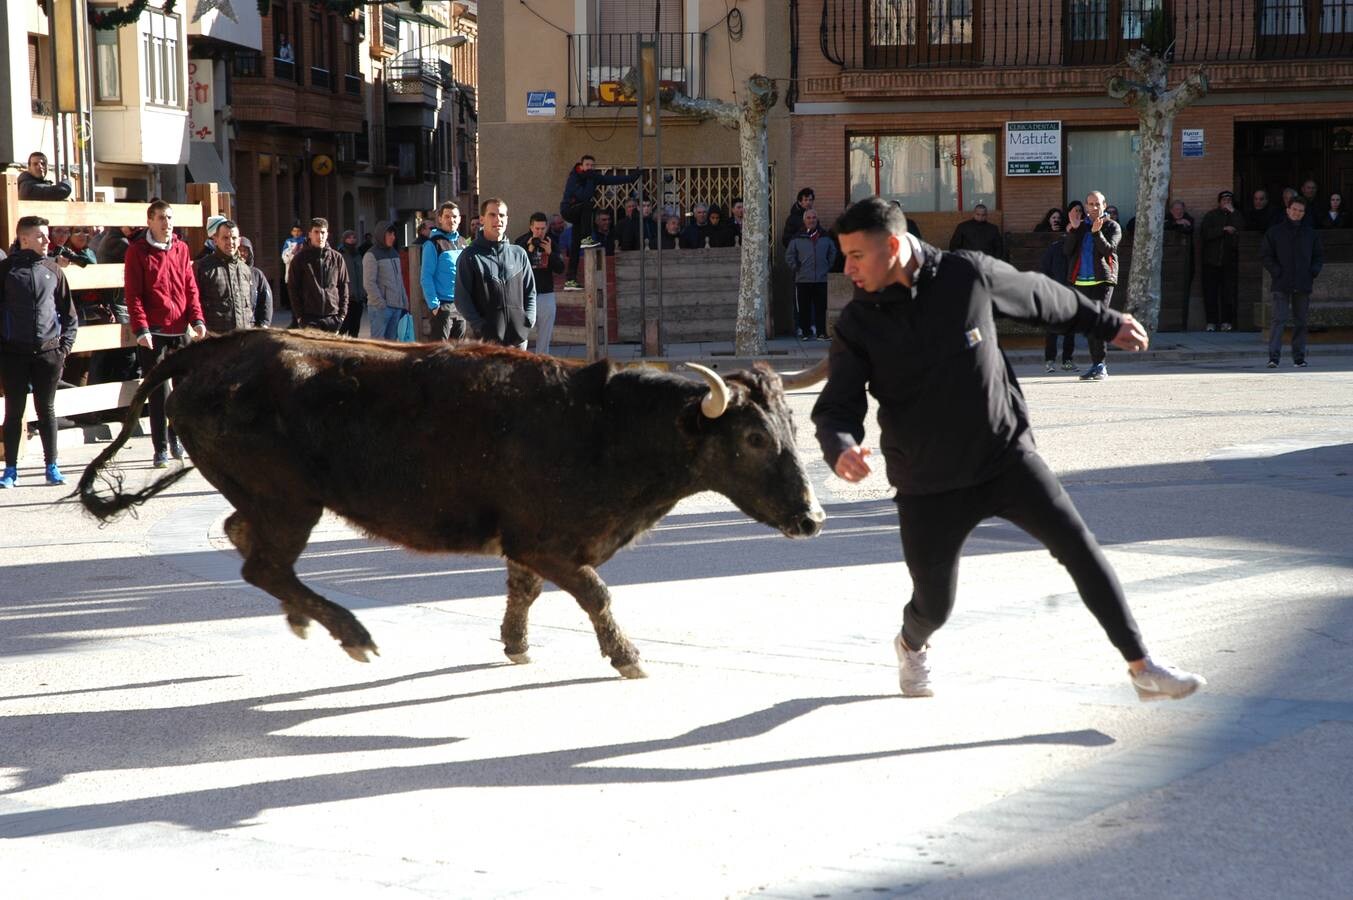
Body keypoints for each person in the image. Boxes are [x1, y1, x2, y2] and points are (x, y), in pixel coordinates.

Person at [812, 196, 1206, 703]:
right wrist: (841, 447)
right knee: (934, 605)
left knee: (1078, 545)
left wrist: (1105, 322)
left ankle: (1142, 665)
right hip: (928, 481)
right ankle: (912, 644)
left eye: (856, 255)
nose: (847, 268)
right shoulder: (858, 323)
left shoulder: (965, 276)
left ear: (892, 246)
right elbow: (836, 407)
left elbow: (1039, 295)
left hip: (1004, 456)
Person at [124, 199, 206, 467]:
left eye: (169, 218)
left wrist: (197, 319)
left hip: (180, 328)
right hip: (154, 332)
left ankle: (177, 438)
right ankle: (159, 447)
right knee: (158, 392)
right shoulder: (137, 251)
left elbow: (190, 287)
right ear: (150, 221)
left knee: (183, 391)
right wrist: (141, 328)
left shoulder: (181, 248)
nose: (166, 223)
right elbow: (133, 294)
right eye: (161, 218)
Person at [0, 216, 78, 488]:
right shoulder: (5, 270)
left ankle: (51, 466)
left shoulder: (53, 270)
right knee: (13, 412)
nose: (48, 241)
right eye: (41, 236)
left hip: (48, 353)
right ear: (24, 239)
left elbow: (70, 315)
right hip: (13, 354)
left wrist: (64, 348)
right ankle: (10, 470)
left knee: (46, 410)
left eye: (47, 235)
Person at [455, 198, 535, 348]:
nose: (498, 219)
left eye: (502, 215)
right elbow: (461, 298)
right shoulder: (469, 256)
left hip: (518, 340)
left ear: (507, 219)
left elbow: (530, 292)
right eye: (492, 215)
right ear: (482, 219)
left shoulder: (519, 254)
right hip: (485, 343)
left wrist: (528, 321)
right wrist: (480, 327)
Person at [1062, 191, 1121, 381]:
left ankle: (1101, 365)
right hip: (1081, 280)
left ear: (1104, 205)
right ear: (1086, 206)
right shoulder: (1079, 227)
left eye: (1097, 204)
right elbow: (1067, 251)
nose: (1094, 207)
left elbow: (1108, 250)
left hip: (1103, 280)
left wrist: (1096, 233)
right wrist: (1073, 229)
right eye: (1090, 204)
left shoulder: (1112, 226)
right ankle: (1096, 364)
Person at [560, 155, 640, 289]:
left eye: (592, 165)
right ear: (581, 165)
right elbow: (584, 196)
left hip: (580, 215)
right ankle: (586, 238)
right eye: (587, 165)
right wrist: (592, 179)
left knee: (575, 245)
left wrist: (633, 177)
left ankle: (570, 279)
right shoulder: (574, 177)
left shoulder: (592, 177)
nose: (590, 168)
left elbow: (612, 180)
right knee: (588, 204)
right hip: (568, 210)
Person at [1262, 196, 1323, 369]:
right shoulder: (1274, 232)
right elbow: (1266, 256)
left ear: (1304, 213)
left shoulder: (1311, 234)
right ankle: (1273, 358)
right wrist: (1276, 272)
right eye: (1294, 209)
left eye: (1301, 211)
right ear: (1288, 210)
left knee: (1301, 321)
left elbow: (1318, 256)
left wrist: (1313, 272)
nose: (1297, 213)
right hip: (1281, 282)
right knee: (1278, 320)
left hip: (1303, 282)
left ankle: (1299, 358)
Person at [193, 219, 256, 336]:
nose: (230, 242)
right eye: (225, 238)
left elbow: (250, 304)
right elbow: (194, 301)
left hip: (244, 338)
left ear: (239, 240)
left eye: (234, 238)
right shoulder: (202, 267)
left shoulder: (245, 269)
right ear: (215, 240)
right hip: (216, 341)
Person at [286, 217, 349, 333]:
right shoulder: (299, 259)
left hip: (332, 318)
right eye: (316, 232)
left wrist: (341, 316)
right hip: (309, 318)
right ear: (309, 234)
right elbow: (293, 288)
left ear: (327, 234)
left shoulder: (337, 258)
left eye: (323, 232)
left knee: (332, 351)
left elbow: (343, 287)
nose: (320, 236)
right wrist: (300, 317)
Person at [784, 208, 837, 340]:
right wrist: (796, 267)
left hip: (821, 279)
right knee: (804, 308)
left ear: (817, 219)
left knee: (821, 308)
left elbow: (833, 252)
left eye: (813, 218)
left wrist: (827, 266)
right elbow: (789, 255)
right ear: (804, 220)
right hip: (803, 279)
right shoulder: (797, 237)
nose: (811, 220)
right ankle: (806, 332)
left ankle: (821, 333)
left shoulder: (824, 236)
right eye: (808, 218)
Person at [516, 211, 564, 354]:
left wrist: (550, 253)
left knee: (545, 333)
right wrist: (529, 250)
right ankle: (521, 359)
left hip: (546, 293)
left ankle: (542, 359)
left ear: (547, 227)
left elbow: (560, 269)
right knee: (521, 333)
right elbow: (516, 268)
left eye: (543, 229)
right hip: (525, 294)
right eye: (537, 229)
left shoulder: (551, 242)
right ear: (531, 227)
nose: (540, 232)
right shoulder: (521, 242)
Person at [421, 201, 468, 341]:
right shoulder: (433, 244)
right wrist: (434, 305)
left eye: (454, 216)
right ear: (440, 219)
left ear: (459, 219)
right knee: (440, 353)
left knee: (458, 353)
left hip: (461, 305)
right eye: (447, 216)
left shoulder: (463, 242)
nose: (451, 220)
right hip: (443, 306)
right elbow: (426, 276)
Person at [1199, 190, 1245, 332]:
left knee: (1228, 293)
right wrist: (1223, 229)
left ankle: (1227, 322)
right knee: (1210, 293)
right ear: (1219, 202)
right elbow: (1205, 234)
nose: (1226, 202)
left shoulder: (1236, 215)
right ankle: (1211, 322)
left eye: (1229, 200)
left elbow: (1242, 228)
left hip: (1229, 262)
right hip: (1211, 261)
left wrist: (1234, 213)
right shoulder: (1211, 216)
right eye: (1224, 200)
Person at [364, 222, 410, 341]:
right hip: (380, 308)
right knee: (378, 346)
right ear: (381, 235)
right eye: (389, 234)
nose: (393, 237)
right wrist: (381, 304)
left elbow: (399, 280)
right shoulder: (371, 255)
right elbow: (369, 283)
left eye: (394, 234)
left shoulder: (394, 253)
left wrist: (404, 301)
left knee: (392, 345)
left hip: (396, 306)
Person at [1040, 210, 1074, 373]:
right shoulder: (1055, 248)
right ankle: (1050, 360)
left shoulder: (1078, 248)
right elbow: (1045, 269)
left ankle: (1067, 360)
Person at [238, 237, 273, 328]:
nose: (241, 253)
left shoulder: (257, 274)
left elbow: (266, 300)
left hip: (252, 326)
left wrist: (264, 324)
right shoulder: (226, 273)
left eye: (245, 250)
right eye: (238, 250)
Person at [338, 229, 367, 337]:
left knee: (355, 328)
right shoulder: (340, 254)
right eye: (349, 237)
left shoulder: (358, 254)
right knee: (343, 326)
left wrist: (364, 292)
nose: (352, 240)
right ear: (344, 239)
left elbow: (361, 274)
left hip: (358, 297)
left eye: (354, 237)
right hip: (347, 297)